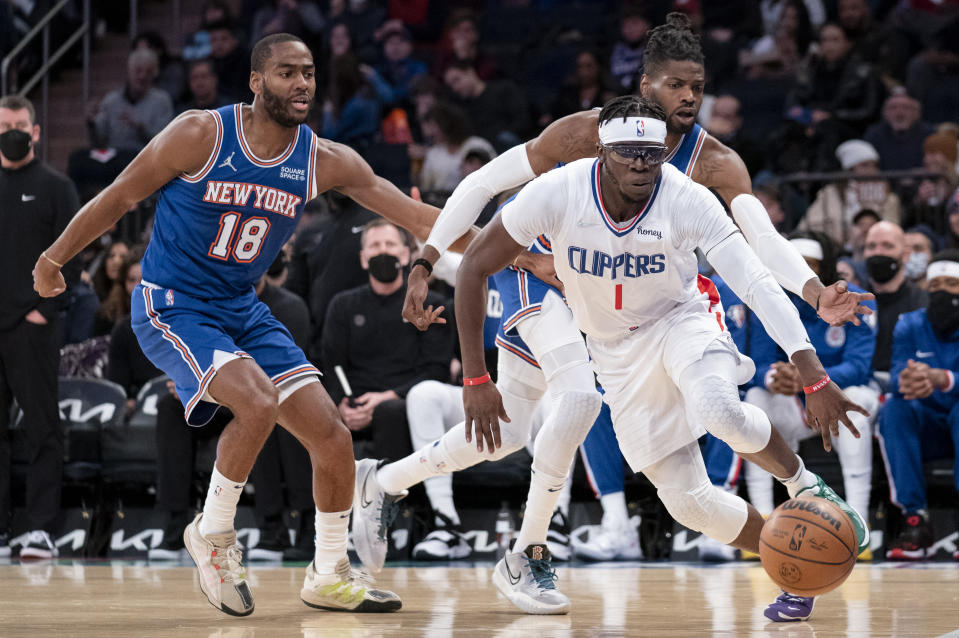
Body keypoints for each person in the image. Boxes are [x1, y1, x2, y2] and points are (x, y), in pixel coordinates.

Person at [391, 14, 872, 617]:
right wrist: (428, 255)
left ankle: (803, 484)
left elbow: (755, 252)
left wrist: (809, 296)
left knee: (715, 408)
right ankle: (792, 563)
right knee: (687, 503)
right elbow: (484, 184)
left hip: (678, 313)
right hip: (604, 335)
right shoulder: (574, 149)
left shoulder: (708, 169)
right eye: (676, 85)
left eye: (697, 85)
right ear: (644, 87)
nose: (689, 97)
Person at [31, 33, 457, 615]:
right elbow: (119, 197)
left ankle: (329, 572)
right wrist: (54, 258)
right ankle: (213, 535)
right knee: (256, 403)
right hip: (172, 303)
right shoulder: (200, 134)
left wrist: (517, 250)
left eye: (308, 72)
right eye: (286, 73)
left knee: (331, 437)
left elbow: (417, 213)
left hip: (240, 307)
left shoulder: (322, 159)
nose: (302, 82)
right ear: (256, 82)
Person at [740, 233, 878, 557]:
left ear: (821, 271)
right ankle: (760, 522)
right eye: (792, 266)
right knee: (757, 401)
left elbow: (858, 366)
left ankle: (859, 524)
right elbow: (757, 365)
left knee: (857, 402)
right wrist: (774, 377)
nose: (799, 273)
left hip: (840, 396)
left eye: (810, 267)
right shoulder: (766, 302)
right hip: (794, 406)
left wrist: (809, 380)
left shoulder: (847, 300)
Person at [0, 95, 80, 559]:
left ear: (35, 131)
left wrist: (43, 312)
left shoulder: (56, 186)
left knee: (41, 426)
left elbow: (76, 254)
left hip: (32, 325)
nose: (11, 131)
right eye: (4, 124)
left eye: (18, 124)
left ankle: (40, 528)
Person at [321, 219, 454, 461]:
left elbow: (437, 369)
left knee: (389, 412)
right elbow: (333, 365)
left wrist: (389, 397)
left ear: (405, 255)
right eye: (375, 245)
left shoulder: (431, 304)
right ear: (363, 258)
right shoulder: (342, 305)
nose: (382, 251)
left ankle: (395, 496)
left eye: (390, 244)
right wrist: (342, 403)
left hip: (407, 400)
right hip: (355, 400)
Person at [879, 250, 959, 560]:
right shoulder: (910, 323)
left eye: (951, 285)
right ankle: (915, 519)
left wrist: (945, 379)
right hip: (926, 428)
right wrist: (911, 380)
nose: (941, 291)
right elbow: (899, 371)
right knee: (894, 408)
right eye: (935, 284)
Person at [798, 139, 902, 247]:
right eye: (864, 165)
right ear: (850, 169)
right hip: (838, 249)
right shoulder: (831, 193)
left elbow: (892, 225)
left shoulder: (887, 196)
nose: (871, 170)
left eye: (874, 165)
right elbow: (809, 225)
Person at [862, 221, 927, 381]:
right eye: (871, 246)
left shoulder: (923, 303)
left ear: (906, 255)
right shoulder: (853, 299)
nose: (878, 252)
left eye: (887, 246)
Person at [88, 48, 174, 153]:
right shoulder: (111, 101)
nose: (142, 76)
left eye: (148, 72)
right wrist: (91, 124)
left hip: (146, 159)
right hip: (115, 159)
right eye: (138, 70)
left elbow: (165, 142)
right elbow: (98, 144)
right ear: (129, 72)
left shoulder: (162, 100)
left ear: (154, 75)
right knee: (78, 157)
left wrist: (141, 128)